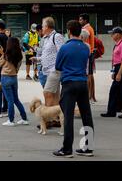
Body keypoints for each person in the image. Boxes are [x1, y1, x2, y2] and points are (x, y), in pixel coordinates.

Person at [53, 20, 94, 158]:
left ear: (69, 31)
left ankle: (67, 149)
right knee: (86, 116)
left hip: (69, 83)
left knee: (68, 116)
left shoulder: (65, 48)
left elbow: (58, 66)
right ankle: (88, 148)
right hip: (82, 83)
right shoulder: (86, 47)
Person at [31, 17, 64, 107]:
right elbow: (47, 55)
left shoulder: (56, 36)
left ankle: (48, 117)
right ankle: (56, 117)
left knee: (47, 92)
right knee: (55, 95)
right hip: (47, 71)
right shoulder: (46, 38)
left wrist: (58, 68)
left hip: (54, 70)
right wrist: (37, 59)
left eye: (43, 26)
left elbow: (62, 52)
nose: (41, 28)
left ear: (47, 26)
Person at [0, 37, 29, 127]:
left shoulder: (6, 55)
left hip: (5, 78)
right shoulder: (19, 56)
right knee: (16, 99)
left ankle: (11, 120)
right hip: (14, 78)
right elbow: (17, 68)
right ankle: (24, 118)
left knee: (10, 100)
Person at [101, 27, 122, 119]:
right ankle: (111, 111)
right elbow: (116, 60)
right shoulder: (119, 44)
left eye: (113, 33)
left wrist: (119, 73)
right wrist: (114, 71)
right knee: (114, 91)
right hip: (119, 67)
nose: (111, 35)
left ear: (118, 34)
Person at [79, 13, 96, 103]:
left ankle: (89, 96)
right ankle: (92, 95)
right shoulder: (90, 28)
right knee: (90, 75)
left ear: (85, 20)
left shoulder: (86, 29)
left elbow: (83, 40)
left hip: (88, 53)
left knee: (88, 75)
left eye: (81, 19)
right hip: (91, 52)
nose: (79, 21)